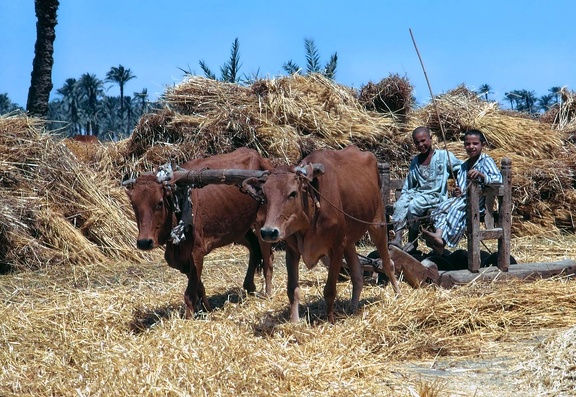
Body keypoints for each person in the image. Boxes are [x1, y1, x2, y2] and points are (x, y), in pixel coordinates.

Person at [422, 129, 502, 255]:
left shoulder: (486, 161)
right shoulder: (464, 166)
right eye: (467, 144)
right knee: (441, 207)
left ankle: (443, 242)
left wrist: (482, 175)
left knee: (455, 210)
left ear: (483, 145)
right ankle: (438, 235)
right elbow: (461, 187)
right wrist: (457, 192)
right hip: (463, 200)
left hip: (478, 204)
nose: (471, 147)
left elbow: (498, 180)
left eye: (475, 144)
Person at [390, 126, 462, 251]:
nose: (421, 144)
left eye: (423, 141)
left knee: (413, 206)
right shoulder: (416, 161)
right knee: (399, 205)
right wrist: (404, 197)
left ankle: (412, 239)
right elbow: (410, 183)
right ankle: (397, 238)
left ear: (431, 138)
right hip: (418, 193)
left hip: (435, 196)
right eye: (417, 142)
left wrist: (459, 185)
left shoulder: (444, 156)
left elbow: (461, 169)